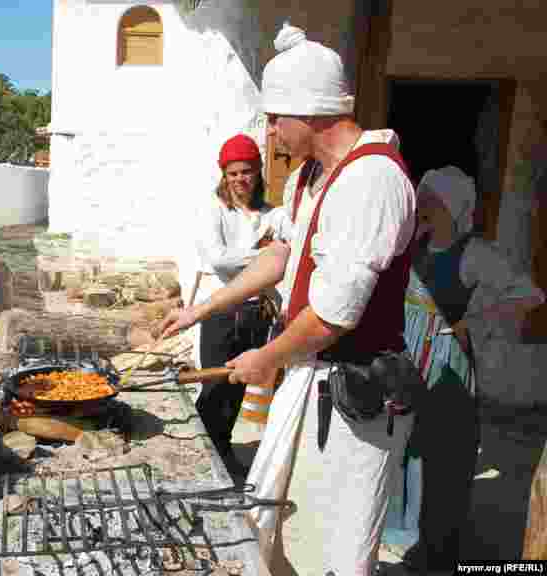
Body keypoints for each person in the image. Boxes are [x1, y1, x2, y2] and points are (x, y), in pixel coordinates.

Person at [157, 23, 417, 576]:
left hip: (353, 395)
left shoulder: (372, 180)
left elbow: (332, 317)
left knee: (335, 548)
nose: (271, 131)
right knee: (278, 533)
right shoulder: (307, 179)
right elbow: (280, 256)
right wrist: (201, 311)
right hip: (305, 378)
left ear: (312, 109)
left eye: (276, 117)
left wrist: (265, 358)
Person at [382, 166, 544, 569]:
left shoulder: (475, 254)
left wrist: (474, 322)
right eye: (422, 197)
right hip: (411, 367)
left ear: (453, 207)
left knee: (446, 463)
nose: (422, 205)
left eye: (431, 200)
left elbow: (529, 295)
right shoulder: (416, 245)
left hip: (450, 373)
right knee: (410, 455)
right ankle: (411, 540)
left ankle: (439, 553)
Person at [188, 133, 290, 479]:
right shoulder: (214, 210)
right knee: (215, 386)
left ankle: (223, 451)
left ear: (258, 172)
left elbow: (291, 249)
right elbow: (219, 259)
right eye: (232, 173)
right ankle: (203, 457)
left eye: (246, 171)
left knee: (239, 385)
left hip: (256, 312)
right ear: (224, 175)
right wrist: (266, 255)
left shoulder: (273, 214)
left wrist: (269, 257)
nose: (240, 179)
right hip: (220, 312)